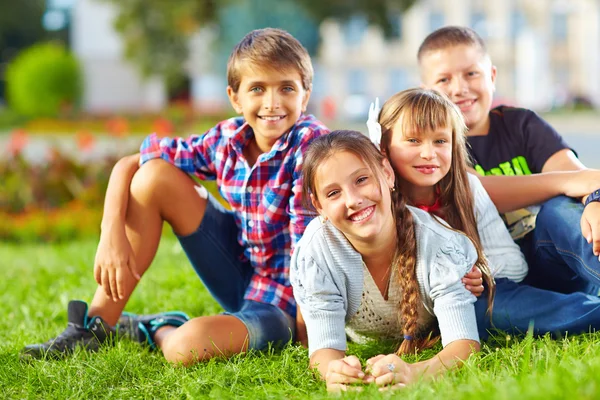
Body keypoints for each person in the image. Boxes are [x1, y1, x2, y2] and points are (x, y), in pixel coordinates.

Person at [21, 28, 328, 365]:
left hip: (283, 305)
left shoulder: (313, 148)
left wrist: (309, 340)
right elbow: (132, 162)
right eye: (257, 89)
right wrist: (110, 235)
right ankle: (94, 327)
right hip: (240, 272)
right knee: (154, 176)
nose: (272, 103)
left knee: (185, 347)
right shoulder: (227, 139)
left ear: (305, 94)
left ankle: (154, 329)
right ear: (235, 97)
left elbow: (309, 256)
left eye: (286, 88)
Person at [291, 129, 600, 392]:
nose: (352, 199)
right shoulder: (316, 251)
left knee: (502, 309)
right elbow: (323, 351)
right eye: (333, 193)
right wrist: (333, 372)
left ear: (387, 174)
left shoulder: (440, 245)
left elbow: (463, 344)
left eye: (361, 180)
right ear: (318, 205)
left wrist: (416, 372)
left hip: (505, 280)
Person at [417, 26, 600, 295]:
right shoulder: (431, 146)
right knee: (490, 310)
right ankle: (590, 312)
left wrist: (594, 200)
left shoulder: (521, 124)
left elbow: (580, 178)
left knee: (558, 210)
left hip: (552, 258)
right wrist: (568, 182)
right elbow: (477, 191)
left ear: (491, 76)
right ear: (426, 92)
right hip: (492, 278)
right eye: (443, 80)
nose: (460, 88)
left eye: (471, 73)